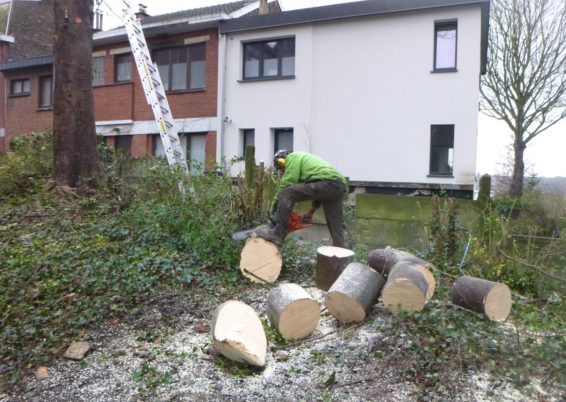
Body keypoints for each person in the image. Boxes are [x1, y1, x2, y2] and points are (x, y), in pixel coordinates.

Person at [255, 150, 347, 248]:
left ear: (282, 161)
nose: (284, 171)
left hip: (327, 183)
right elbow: (323, 191)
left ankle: (277, 234)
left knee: (287, 192)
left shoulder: (292, 157)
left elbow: (288, 182)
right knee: (335, 221)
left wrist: (274, 204)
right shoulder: (307, 161)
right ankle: (340, 247)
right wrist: (311, 212)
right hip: (338, 185)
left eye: (283, 168)